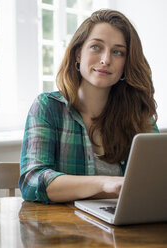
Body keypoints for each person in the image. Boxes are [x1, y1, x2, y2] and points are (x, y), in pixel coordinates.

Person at [19, 9, 158, 204]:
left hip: (126, 228)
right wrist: (104, 184)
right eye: (96, 47)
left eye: (118, 52)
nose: (106, 60)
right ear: (78, 54)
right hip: (64, 229)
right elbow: (31, 181)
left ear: (126, 63)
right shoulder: (48, 107)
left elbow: (155, 183)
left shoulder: (139, 115)